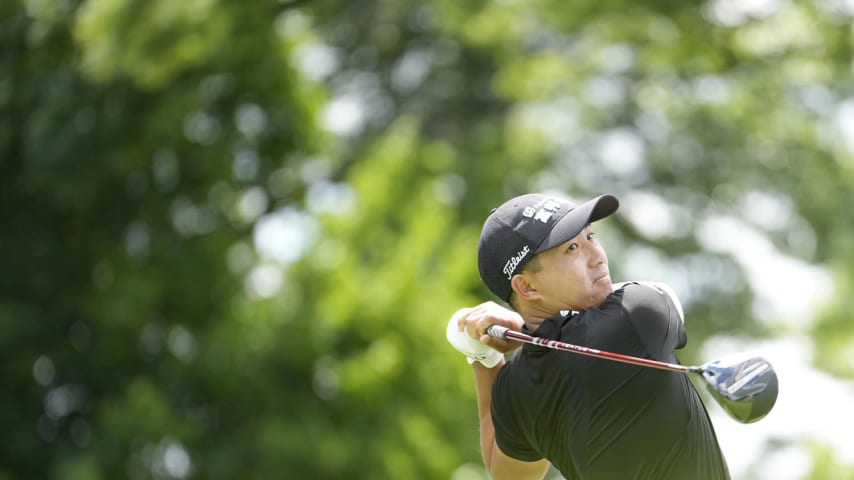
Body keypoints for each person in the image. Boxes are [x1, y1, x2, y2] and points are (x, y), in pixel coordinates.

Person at [446, 192, 730, 480]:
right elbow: (665, 294)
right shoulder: (636, 315)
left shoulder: (515, 390)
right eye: (571, 248)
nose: (598, 258)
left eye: (590, 237)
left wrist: (483, 356)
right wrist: (520, 330)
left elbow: (506, 474)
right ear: (528, 288)